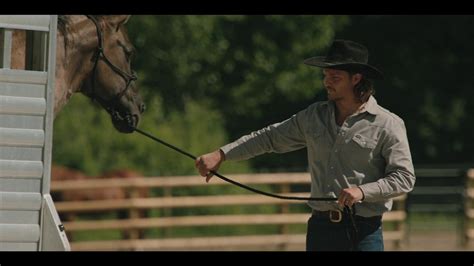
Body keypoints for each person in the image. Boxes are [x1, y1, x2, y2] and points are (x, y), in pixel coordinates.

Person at [195, 39, 415, 251]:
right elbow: (268, 137)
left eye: (335, 77)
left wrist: (362, 191)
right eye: (325, 75)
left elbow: (404, 178)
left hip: (364, 232)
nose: (326, 81)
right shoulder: (313, 117)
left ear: (356, 78)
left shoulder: (388, 124)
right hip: (321, 231)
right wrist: (222, 154)